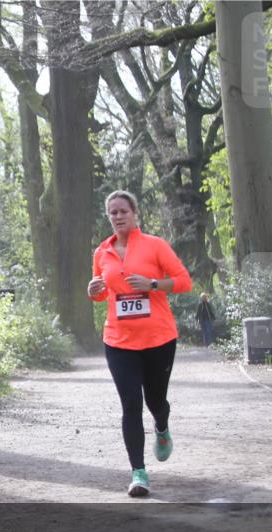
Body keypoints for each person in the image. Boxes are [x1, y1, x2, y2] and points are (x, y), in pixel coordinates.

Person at [87, 190, 192, 497]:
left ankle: (162, 426)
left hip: (158, 338)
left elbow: (184, 282)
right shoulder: (101, 253)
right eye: (113, 212)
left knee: (155, 401)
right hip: (118, 341)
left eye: (123, 211)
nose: (118, 216)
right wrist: (93, 289)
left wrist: (152, 284)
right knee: (130, 405)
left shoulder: (155, 245)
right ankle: (138, 473)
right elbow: (102, 292)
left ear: (135, 214)